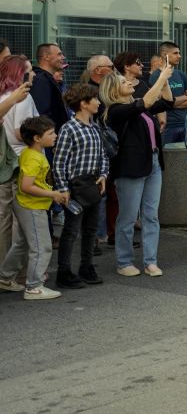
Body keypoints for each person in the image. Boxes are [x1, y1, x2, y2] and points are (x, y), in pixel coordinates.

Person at [99, 62, 174, 277]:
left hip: (152, 162)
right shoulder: (115, 111)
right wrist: (161, 78)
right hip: (130, 167)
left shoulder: (139, 107)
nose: (129, 81)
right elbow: (146, 101)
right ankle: (124, 261)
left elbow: (167, 102)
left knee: (151, 216)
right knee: (128, 216)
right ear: (113, 89)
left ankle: (151, 261)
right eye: (124, 81)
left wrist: (165, 79)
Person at [0, 117, 66, 300]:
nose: (55, 136)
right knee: (42, 246)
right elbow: (26, 186)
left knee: (21, 244)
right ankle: (34, 286)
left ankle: (4, 278)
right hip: (31, 207)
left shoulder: (30, 154)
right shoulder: (35, 158)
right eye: (51, 133)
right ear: (37, 138)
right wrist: (53, 194)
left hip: (25, 205)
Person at [52, 83, 109, 288]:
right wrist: (63, 188)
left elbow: (103, 155)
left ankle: (87, 266)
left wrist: (103, 175)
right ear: (84, 104)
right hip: (75, 186)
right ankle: (64, 271)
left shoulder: (95, 126)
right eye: (95, 99)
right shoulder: (69, 128)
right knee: (71, 230)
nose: (98, 102)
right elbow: (59, 162)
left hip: (93, 184)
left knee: (90, 229)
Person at [0, 56, 37, 260]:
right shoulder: (22, 98)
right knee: (20, 219)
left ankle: (4, 267)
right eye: (28, 70)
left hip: (5, 161)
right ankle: (15, 269)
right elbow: (19, 132)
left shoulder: (3, 95)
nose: (33, 74)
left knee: (4, 217)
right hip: (20, 160)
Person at [157, 42, 187, 147]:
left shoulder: (181, 74)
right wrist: (184, 97)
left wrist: (169, 104)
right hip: (168, 127)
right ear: (164, 54)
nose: (179, 56)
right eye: (175, 53)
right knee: (168, 160)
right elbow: (159, 102)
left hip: (186, 124)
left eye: (179, 53)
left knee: (185, 159)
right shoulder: (156, 76)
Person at [31, 43, 69, 129]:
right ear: (46, 57)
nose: (63, 57)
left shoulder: (46, 79)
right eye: (59, 54)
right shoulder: (41, 80)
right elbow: (43, 113)